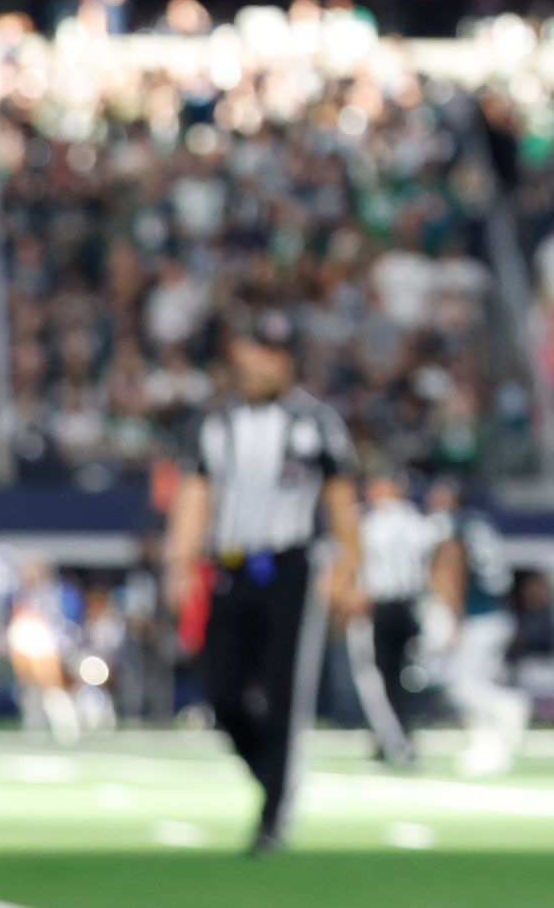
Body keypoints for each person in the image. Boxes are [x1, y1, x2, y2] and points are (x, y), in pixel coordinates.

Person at [162, 308, 364, 854]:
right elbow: (195, 494)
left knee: (283, 695)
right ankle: (275, 779)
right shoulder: (214, 424)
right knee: (221, 692)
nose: (264, 361)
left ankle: (273, 813)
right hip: (230, 567)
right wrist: (179, 562)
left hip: (291, 567)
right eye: (258, 348)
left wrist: (349, 566)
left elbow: (340, 498)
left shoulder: (315, 422)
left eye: (275, 352)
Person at [428, 481, 531, 776]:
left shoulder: (454, 525)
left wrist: (453, 614)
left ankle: (508, 706)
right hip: (496, 612)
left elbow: (452, 566)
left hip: (478, 616)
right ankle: (487, 744)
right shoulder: (480, 523)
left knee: (462, 685)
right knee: (475, 681)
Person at [348, 469, 440, 768]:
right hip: (411, 605)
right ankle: (402, 736)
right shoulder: (417, 522)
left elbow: (357, 562)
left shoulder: (370, 522)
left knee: (381, 679)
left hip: (382, 607)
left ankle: (392, 741)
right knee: (404, 677)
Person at [7, 558, 80, 742]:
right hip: (28, 640)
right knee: (28, 684)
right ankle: (33, 724)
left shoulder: (58, 592)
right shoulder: (22, 594)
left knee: (51, 684)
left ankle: (66, 727)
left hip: (52, 641)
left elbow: (66, 620)